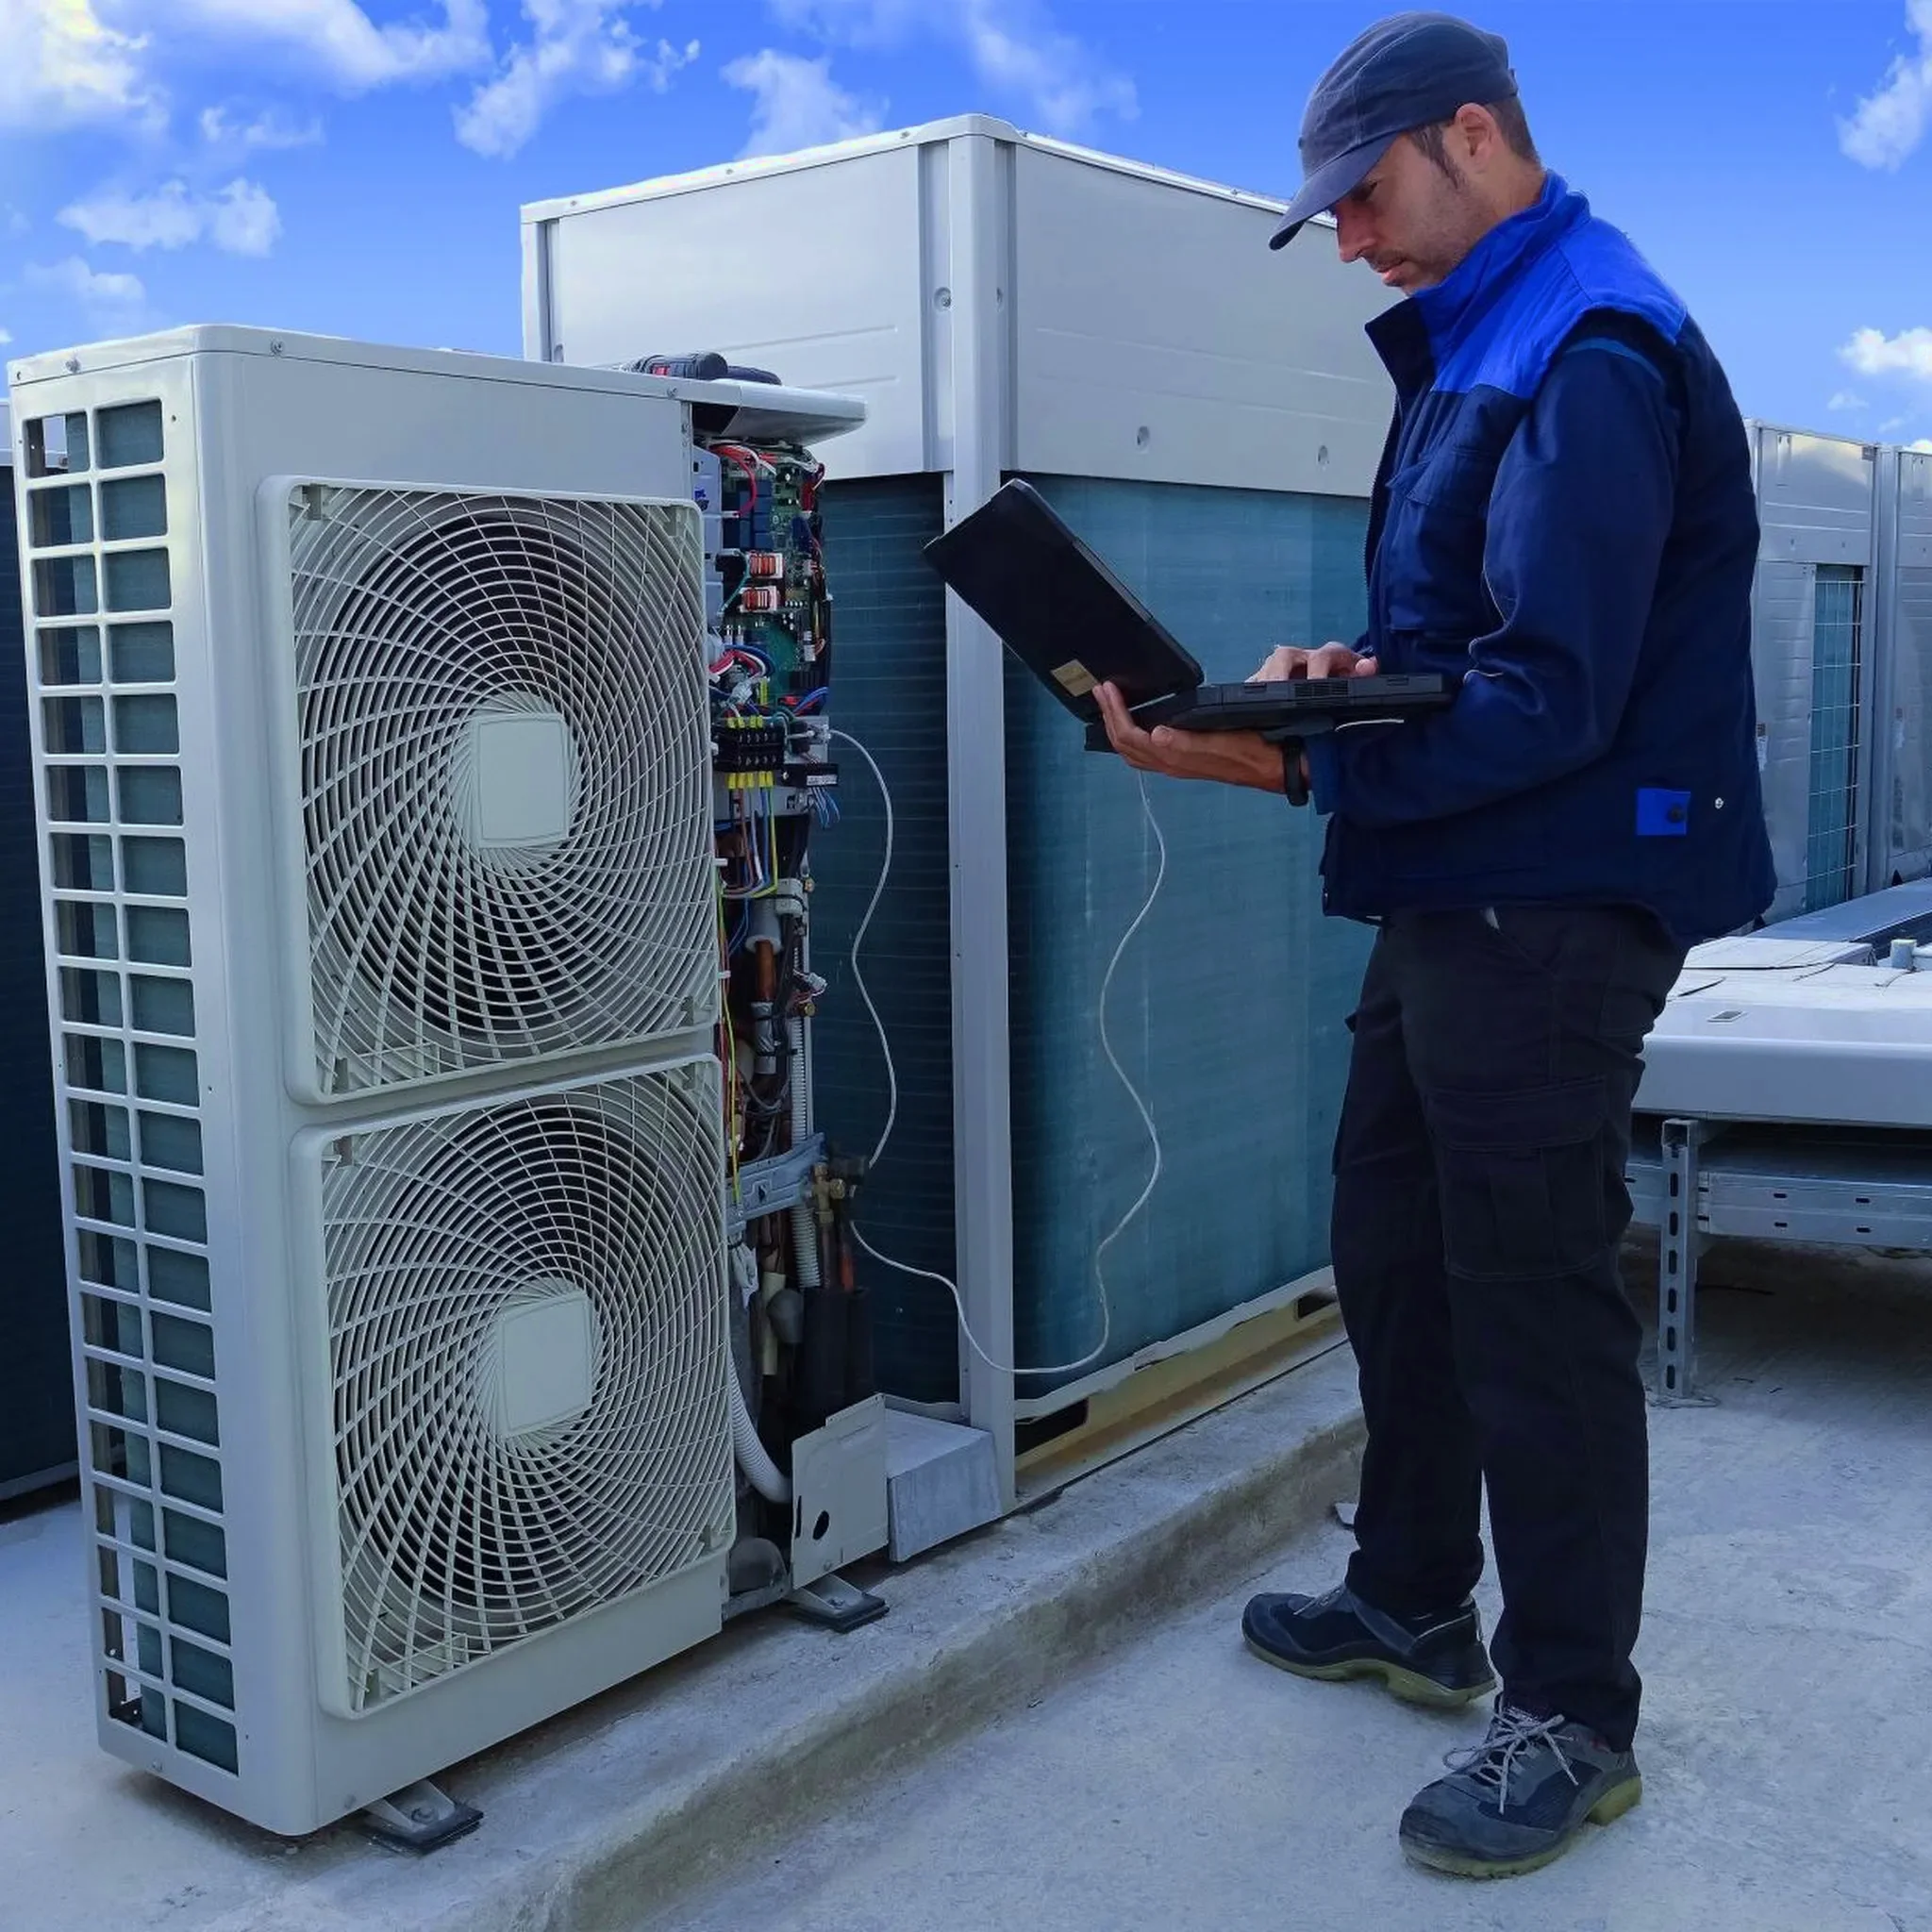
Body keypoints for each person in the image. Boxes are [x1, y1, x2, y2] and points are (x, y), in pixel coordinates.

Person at [1094, 8, 1774, 1882]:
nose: (1348, 239)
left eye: (1364, 193)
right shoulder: (1493, 327)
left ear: (1473, 136)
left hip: (1554, 900)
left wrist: (1283, 761)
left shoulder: (1590, 344)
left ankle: (1572, 1711)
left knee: (1530, 1290)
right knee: (1394, 1246)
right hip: (1459, 883)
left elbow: (1552, 697)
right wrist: (1344, 681)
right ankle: (1409, 1596)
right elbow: (1478, 644)